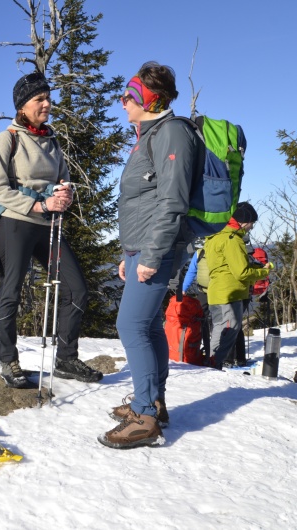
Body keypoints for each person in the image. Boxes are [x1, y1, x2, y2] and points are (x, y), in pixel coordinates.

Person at [99, 61, 199, 449]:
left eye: (129, 95)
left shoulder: (172, 134)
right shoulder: (152, 134)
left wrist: (152, 255)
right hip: (145, 246)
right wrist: (132, 252)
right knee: (151, 326)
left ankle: (144, 416)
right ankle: (154, 403)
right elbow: (146, 200)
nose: (123, 102)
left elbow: (172, 203)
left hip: (159, 248)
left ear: (148, 99)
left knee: (131, 326)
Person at [0, 71, 102, 388]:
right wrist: (38, 205)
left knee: (76, 288)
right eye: (40, 99)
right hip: (15, 222)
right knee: (12, 290)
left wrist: (65, 195)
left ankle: (65, 359)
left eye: (48, 98)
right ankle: (9, 362)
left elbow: (63, 180)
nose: (47, 103)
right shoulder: (8, 139)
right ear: (23, 105)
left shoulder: (51, 141)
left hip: (46, 223)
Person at [203, 202, 273, 368]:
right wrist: (264, 271)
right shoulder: (232, 240)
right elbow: (241, 272)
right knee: (230, 330)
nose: (252, 227)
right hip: (230, 292)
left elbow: (226, 265)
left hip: (216, 291)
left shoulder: (215, 236)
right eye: (251, 223)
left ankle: (212, 362)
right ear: (243, 221)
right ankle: (215, 363)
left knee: (220, 328)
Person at [182, 247, 212, 362]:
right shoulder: (200, 252)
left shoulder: (200, 252)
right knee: (207, 321)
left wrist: (184, 289)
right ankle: (211, 352)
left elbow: (191, 272)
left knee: (203, 322)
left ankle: (210, 351)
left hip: (205, 292)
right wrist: (184, 289)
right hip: (215, 292)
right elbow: (192, 271)